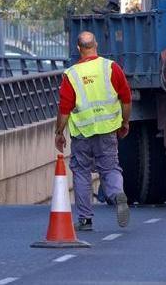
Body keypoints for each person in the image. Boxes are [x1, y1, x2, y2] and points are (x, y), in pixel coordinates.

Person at [54, 31, 132, 232]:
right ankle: (117, 195)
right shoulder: (111, 68)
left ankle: (85, 220)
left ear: (78, 49)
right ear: (96, 44)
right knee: (110, 168)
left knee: (81, 173)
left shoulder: (71, 75)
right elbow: (126, 98)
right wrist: (124, 122)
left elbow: (64, 109)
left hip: (82, 133)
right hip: (107, 131)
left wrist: (59, 132)